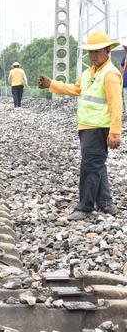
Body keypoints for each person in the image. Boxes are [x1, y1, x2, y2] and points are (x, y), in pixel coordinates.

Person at [38, 31, 122, 220]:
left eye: (97, 51)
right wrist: (53, 84)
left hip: (99, 127)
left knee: (90, 166)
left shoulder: (110, 74)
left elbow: (116, 104)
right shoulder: (88, 73)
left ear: (108, 51)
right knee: (97, 164)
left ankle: (85, 207)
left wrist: (115, 131)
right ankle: (106, 203)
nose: (92, 55)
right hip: (86, 126)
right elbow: (76, 89)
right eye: (90, 52)